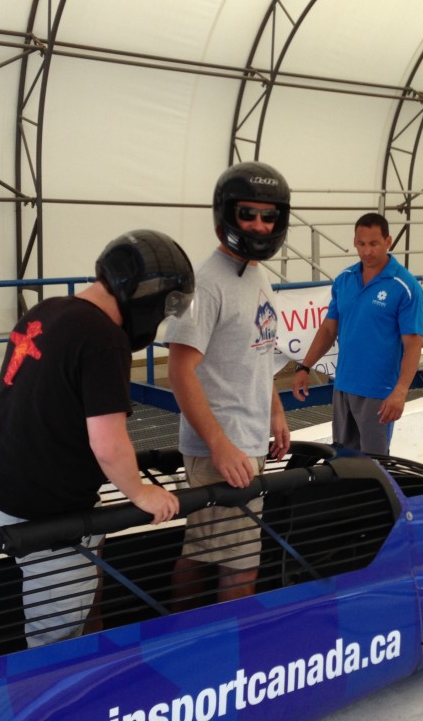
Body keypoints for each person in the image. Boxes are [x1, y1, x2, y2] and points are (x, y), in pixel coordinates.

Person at [0, 229, 194, 648]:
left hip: (2, 488)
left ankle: (91, 653)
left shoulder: (48, 309)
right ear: (145, 297)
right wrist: (140, 492)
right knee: (55, 634)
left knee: (89, 582)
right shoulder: (103, 337)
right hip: (42, 511)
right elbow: (108, 443)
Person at [164, 161, 292, 607]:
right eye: (248, 214)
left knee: (204, 551)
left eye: (268, 216)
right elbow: (178, 371)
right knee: (237, 568)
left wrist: (275, 412)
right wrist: (219, 444)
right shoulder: (205, 283)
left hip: (245, 441)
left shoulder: (256, 274)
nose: (259, 225)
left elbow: (259, 350)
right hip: (222, 449)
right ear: (226, 215)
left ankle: (187, 637)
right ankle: (213, 652)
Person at [292, 212, 423, 454]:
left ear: (388, 241)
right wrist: (304, 367)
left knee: (374, 465)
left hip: (378, 393)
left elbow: (413, 343)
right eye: (361, 244)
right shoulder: (344, 279)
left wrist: (400, 391)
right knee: (342, 459)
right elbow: (329, 328)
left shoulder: (405, 286)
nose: (367, 251)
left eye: (374, 244)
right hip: (343, 387)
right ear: (354, 242)